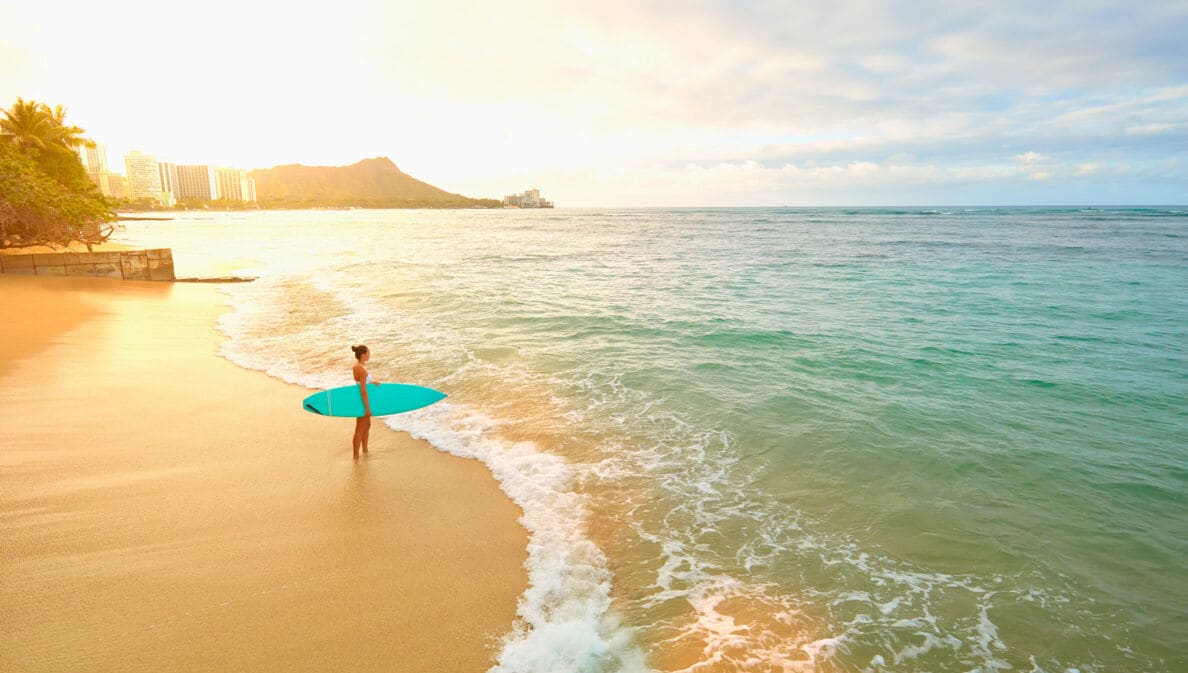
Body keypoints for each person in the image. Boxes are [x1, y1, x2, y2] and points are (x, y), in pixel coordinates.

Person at [350, 344, 380, 458]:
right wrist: (367, 408)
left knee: (367, 426)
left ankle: (365, 451)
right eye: (368, 352)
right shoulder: (360, 369)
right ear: (363, 355)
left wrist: (373, 382)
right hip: (362, 402)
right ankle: (356, 456)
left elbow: (363, 383)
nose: (369, 354)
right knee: (360, 429)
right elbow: (363, 390)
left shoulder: (360, 367)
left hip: (363, 401)